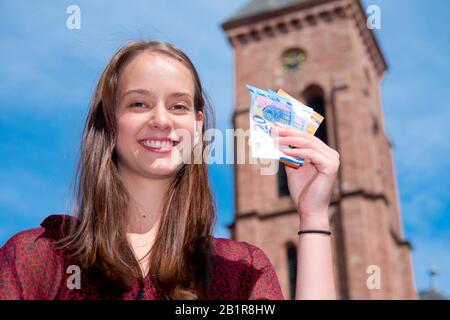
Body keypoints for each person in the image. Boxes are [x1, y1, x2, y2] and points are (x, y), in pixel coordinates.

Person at [0, 40, 339, 300]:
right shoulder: (39, 258)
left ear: (197, 124)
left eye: (178, 105)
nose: (161, 120)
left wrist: (313, 218)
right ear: (109, 121)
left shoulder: (241, 272)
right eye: (139, 103)